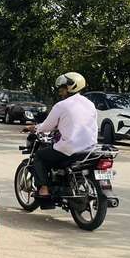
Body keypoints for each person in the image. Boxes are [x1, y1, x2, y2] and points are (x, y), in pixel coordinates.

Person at [23, 72, 98, 200]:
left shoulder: (61, 105)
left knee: (40, 156)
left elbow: (47, 126)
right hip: (90, 148)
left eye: (62, 88)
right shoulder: (89, 104)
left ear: (70, 87)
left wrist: (34, 128)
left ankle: (44, 189)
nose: (60, 91)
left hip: (70, 147)